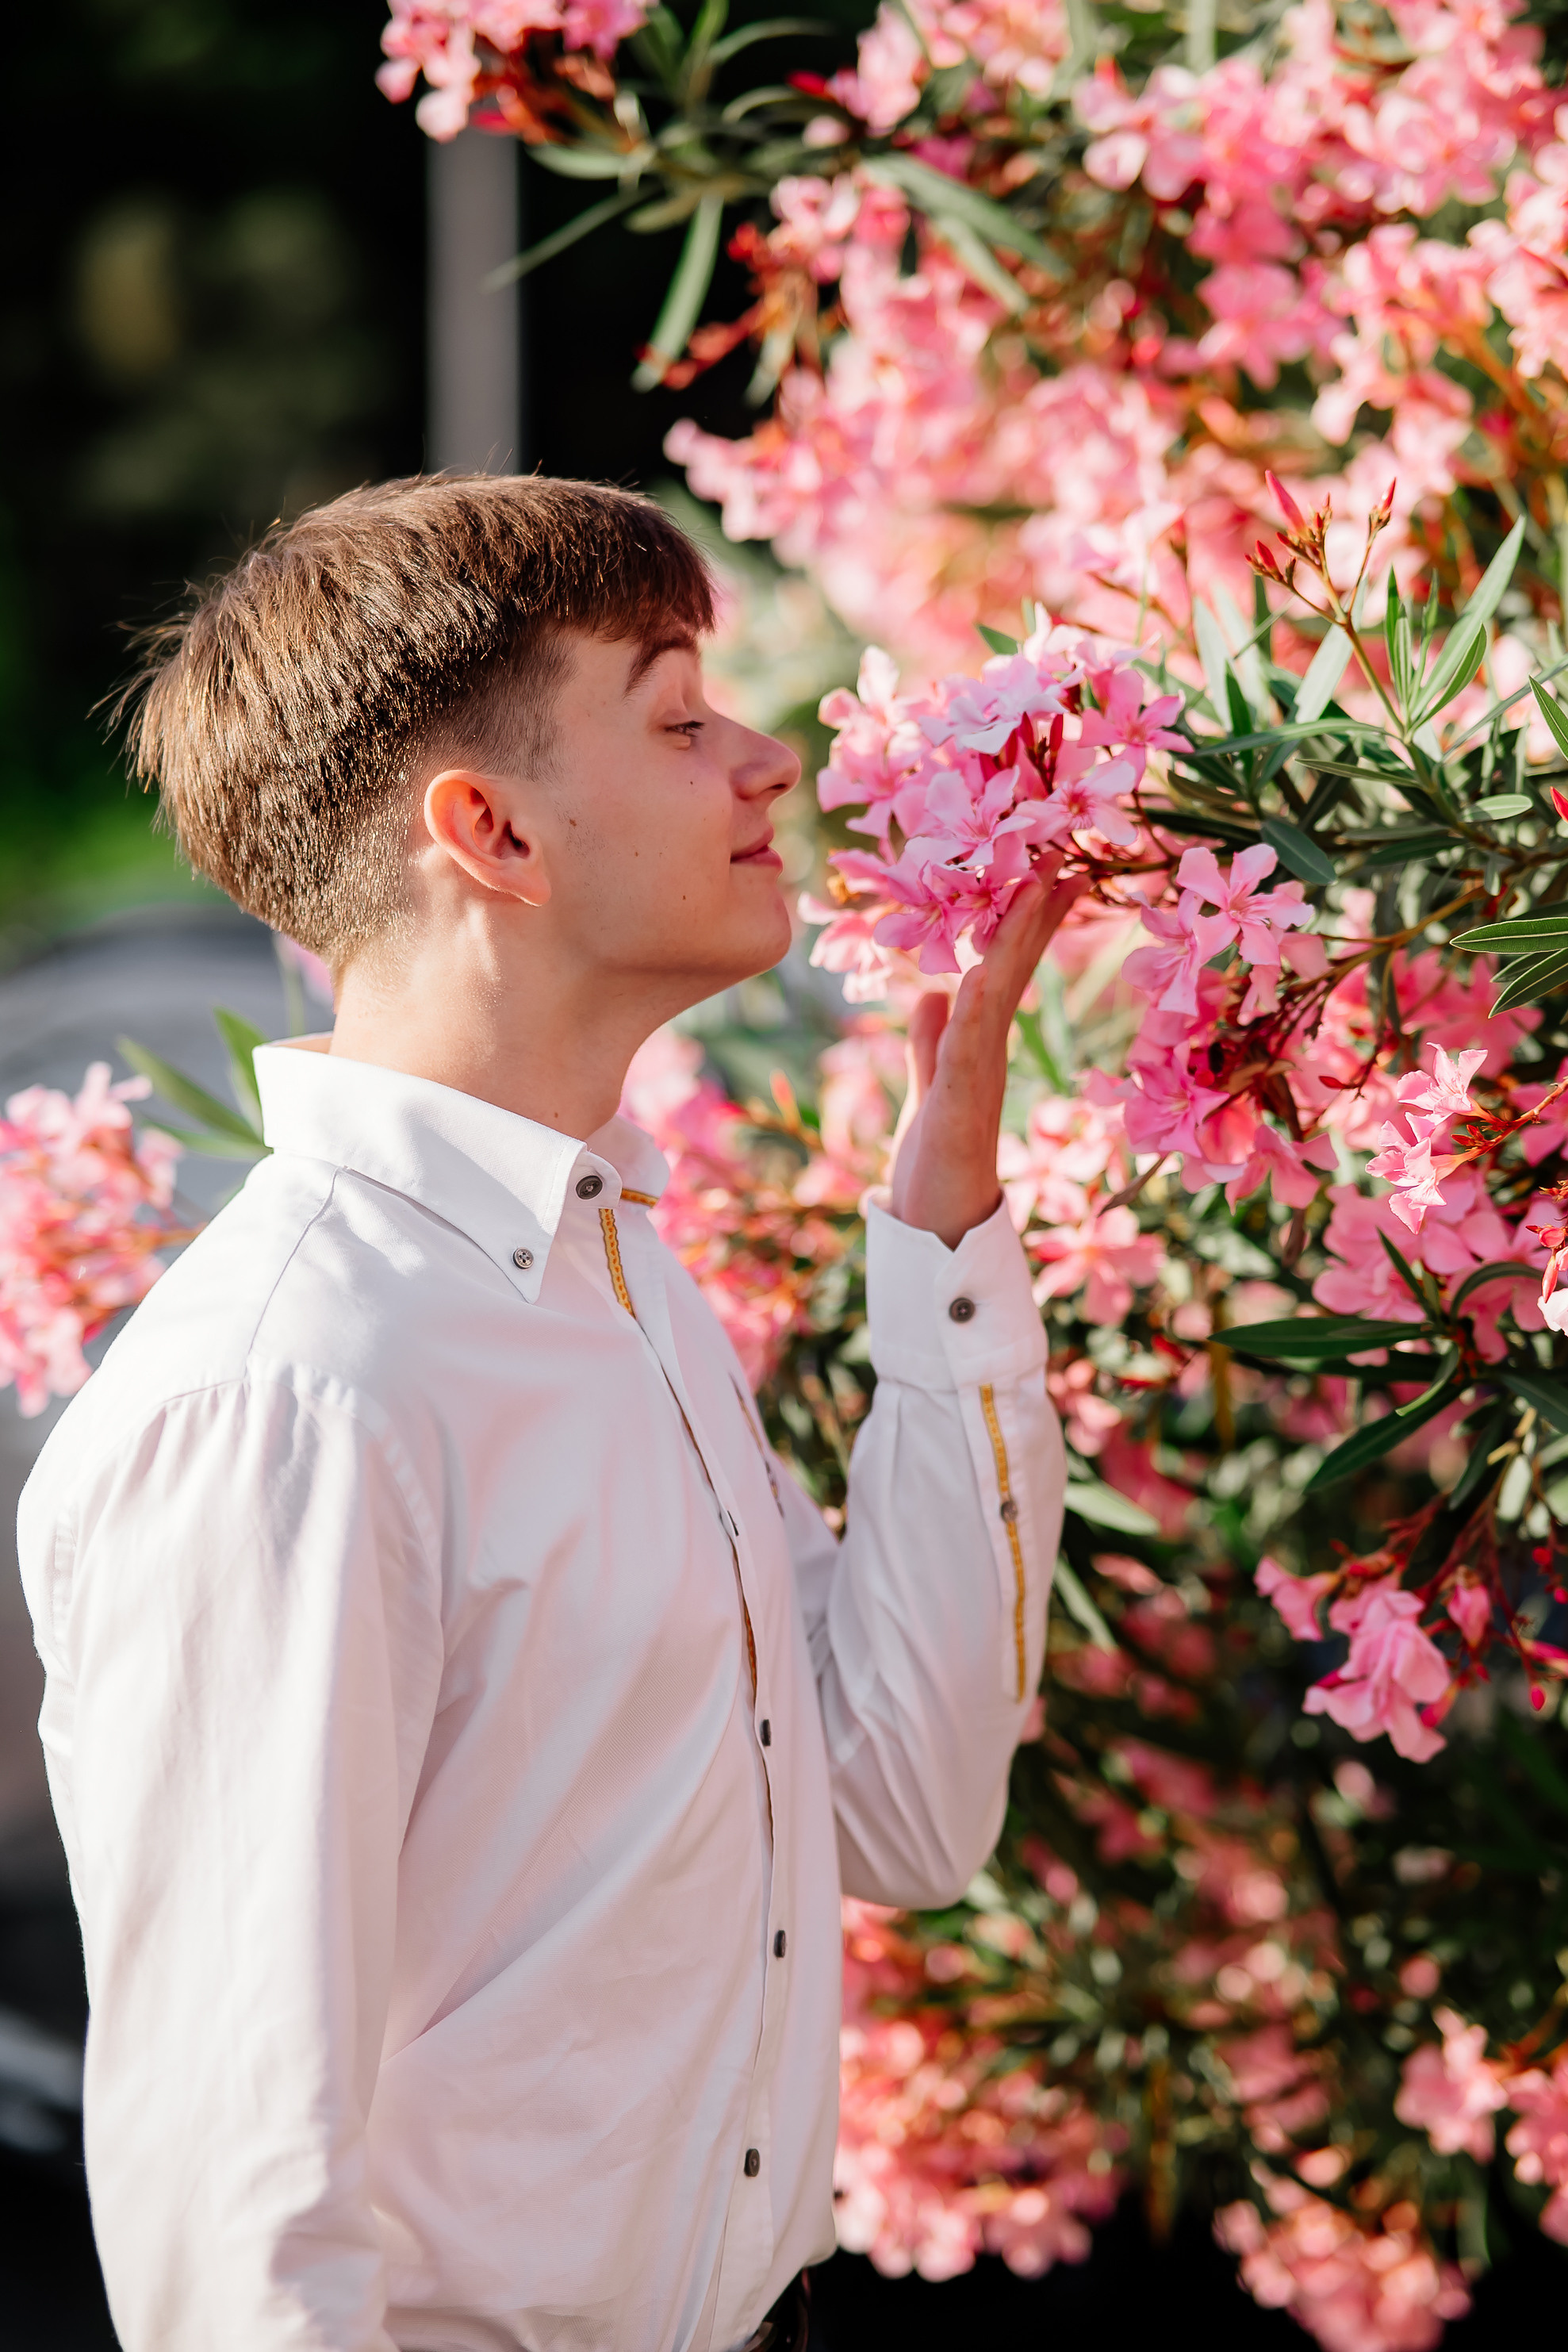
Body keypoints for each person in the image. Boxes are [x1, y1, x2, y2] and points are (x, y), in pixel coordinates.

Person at [17, 477, 1075, 2352]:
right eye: (676, 716)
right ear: (488, 830)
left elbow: (902, 1807)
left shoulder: (610, 1278)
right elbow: (232, 2190)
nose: (765, 762)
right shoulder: (291, 1389)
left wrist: (941, 1229)